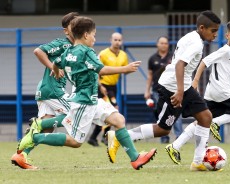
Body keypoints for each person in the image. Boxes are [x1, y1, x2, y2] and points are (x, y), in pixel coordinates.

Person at [11, 16, 157, 170]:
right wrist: (125, 69)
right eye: (94, 34)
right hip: (84, 102)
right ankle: (36, 136)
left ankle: (135, 158)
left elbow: (56, 63)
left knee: (119, 120)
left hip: (92, 100)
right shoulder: (87, 51)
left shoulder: (68, 51)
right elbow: (102, 70)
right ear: (86, 35)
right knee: (75, 142)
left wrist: (55, 71)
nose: (95, 38)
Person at [107, 10, 221, 171]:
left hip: (183, 86)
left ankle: (198, 161)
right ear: (202, 28)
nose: (215, 34)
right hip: (172, 87)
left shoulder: (191, 36)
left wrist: (185, 88)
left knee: (205, 117)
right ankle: (121, 136)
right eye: (213, 31)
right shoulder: (196, 43)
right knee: (162, 129)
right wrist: (180, 91)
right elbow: (180, 64)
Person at [165, 20, 230, 165]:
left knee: (201, 121)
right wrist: (196, 81)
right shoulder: (224, 50)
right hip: (222, 91)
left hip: (212, 93)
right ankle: (216, 123)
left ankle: (175, 146)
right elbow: (204, 61)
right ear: (227, 36)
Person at [11, 12, 79, 170]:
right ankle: (38, 123)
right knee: (75, 114)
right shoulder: (64, 44)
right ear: (66, 30)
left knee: (47, 130)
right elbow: (38, 51)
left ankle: (21, 156)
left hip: (46, 90)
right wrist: (52, 68)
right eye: (73, 25)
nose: (77, 27)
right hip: (52, 89)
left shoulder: (75, 48)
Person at [88, 32, 128, 147]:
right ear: (110, 40)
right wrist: (100, 86)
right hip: (103, 86)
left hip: (113, 86)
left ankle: (95, 138)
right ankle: (104, 138)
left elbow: (124, 69)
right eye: (115, 39)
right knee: (111, 110)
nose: (117, 42)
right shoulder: (103, 54)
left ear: (122, 41)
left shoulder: (123, 55)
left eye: (119, 40)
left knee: (109, 112)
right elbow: (96, 71)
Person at [144, 36, 183, 143]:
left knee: (176, 113)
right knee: (161, 113)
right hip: (157, 90)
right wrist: (147, 90)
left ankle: (179, 137)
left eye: (165, 43)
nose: (163, 45)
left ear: (168, 45)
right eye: (161, 43)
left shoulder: (173, 57)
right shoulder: (152, 59)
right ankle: (164, 137)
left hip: (172, 89)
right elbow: (150, 76)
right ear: (157, 44)